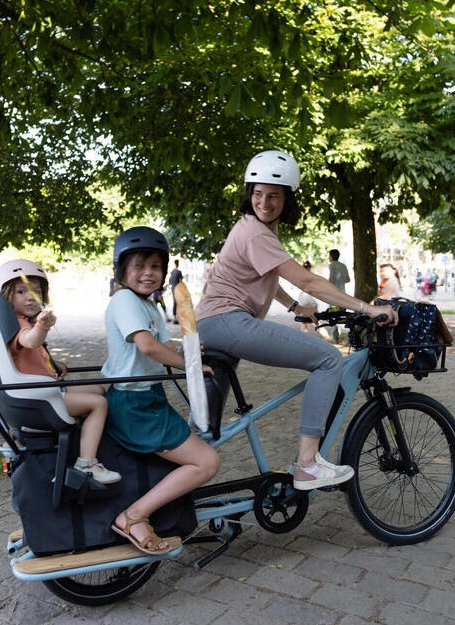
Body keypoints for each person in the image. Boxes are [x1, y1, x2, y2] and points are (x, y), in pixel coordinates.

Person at [195, 150, 398, 491]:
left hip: (218, 323)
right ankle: (307, 465)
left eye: (273, 195)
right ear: (250, 195)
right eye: (257, 194)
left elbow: (267, 277)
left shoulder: (254, 230)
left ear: (287, 199)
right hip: (229, 322)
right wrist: (367, 308)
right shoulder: (256, 233)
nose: (264, 202)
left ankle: (190, 484)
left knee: (207, 426)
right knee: (328, 358)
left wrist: (293, 307)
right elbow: (308, 281)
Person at [102, 227, 220, 554]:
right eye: (139, 265)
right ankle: (134, 516)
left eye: (155, 266)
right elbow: (148, 346)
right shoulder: (124, 300)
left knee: (199, 440)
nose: (148, 273)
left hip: (148, 396)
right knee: (206, 462)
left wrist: (192, 351)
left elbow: (165, 344)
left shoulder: (148, 305)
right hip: (133, 403)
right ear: (122, 270)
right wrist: (191, 367)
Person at [0, 259, 120, 485]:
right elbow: (29, 342)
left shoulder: (22, 322)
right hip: (39, 398)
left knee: (98, 389)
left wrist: (51, 363)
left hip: (41, 389)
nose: (31, 297)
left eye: (36, 292)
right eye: (22, 291)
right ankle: (87, 463)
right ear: (6, 295)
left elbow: (29, 354)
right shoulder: (18, 325)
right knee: (99, 404)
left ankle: (82, 437)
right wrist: (42, 326)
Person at [168, 259, 183, 324]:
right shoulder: (179, 272)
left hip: (173, 289)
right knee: (178, 303)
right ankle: (177, 318)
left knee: (175, 302)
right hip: (177, 289)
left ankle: (175, 317)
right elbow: (180, 281)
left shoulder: (172, 272)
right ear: (178, 263)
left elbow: (170, 281)